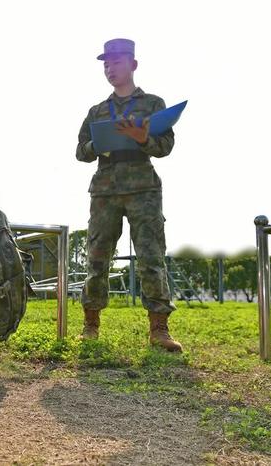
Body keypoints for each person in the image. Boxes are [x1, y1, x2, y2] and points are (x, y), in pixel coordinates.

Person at [75, 38, 182, 352]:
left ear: (133, 64)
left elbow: (165, 147)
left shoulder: (153, 104)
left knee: (151, 258)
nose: (110, 69)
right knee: (96, 257)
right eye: (106, 64)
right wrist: (99, 145)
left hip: (143, 189)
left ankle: (159, 330)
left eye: (116, 63)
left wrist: (142, 137)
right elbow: (80, 151)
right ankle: (90, 325)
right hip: (105, 189)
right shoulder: (96, 111)